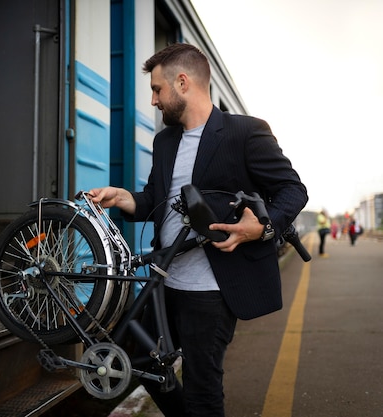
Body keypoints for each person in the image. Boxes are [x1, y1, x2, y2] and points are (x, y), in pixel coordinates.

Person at [88, 43, 308, 417]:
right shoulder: (165, 141)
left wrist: (262, 227)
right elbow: (155, 200)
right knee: (141, 358)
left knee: (203, 386)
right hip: (166, 282)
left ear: (183, 82)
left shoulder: (245, 132)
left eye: (157, 90)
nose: (154, 101)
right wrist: (124, 197)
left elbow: (293, 190)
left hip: (212, 290)